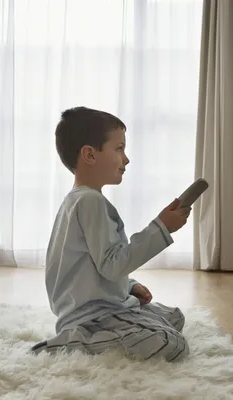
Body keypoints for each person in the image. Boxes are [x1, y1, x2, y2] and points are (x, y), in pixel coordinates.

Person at [30, 106, 191, 362]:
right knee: (173, 343)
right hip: (92, 316)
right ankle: (73, 342)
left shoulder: (82, 201)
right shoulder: (88, 202)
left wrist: (129, 286)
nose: (125, 159)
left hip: (106, 306)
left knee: (174, 317)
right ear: (90, 155)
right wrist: (161, 227)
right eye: (119, 149)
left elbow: (92, 266)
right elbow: (112, 264)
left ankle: (119, 326)